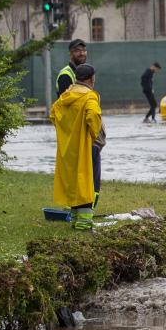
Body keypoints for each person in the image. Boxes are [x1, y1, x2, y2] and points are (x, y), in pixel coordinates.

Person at [49, 63, 104, 230]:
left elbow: (53, 114)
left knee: (73, 182)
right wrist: (94, 134)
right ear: (91, 79)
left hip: (68, 148)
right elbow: (93, 115)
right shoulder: (89, 96)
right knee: (87, 182)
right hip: (86, 147)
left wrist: (66, 133)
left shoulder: (66, 95)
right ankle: (84, 223)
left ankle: (74, 219)